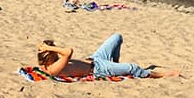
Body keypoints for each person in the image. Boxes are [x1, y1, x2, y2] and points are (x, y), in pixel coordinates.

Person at [36, 33, 180, 79]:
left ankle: (116, 65)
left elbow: (44, 55)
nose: (56, 53)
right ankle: (163, 75)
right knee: (133, 67)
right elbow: (68, 51)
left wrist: (45, 48)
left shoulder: (45, 63)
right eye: (53, 52)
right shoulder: (53, 69)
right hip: (98, 69)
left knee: (117, 37)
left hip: (94, 58)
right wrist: (49, 47)